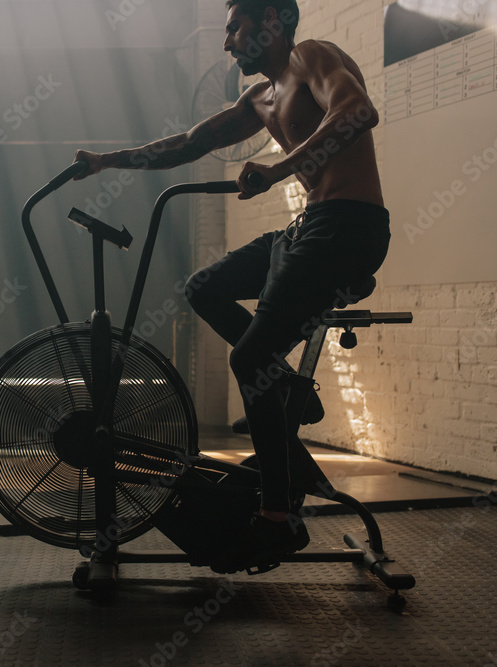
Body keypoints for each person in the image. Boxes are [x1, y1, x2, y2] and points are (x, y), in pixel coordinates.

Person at [73, 0, 390, 567]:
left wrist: (277, 168)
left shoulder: (310, 57)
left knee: (249, 361)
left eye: (234, 27)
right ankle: (287, 388)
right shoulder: (260, 98)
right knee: (203, 288)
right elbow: (188, 144)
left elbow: (358, 111)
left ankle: (277, 518)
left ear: (271, 20)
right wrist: (107, 160)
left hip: (348, 228)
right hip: (308, 229)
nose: (225, 42)